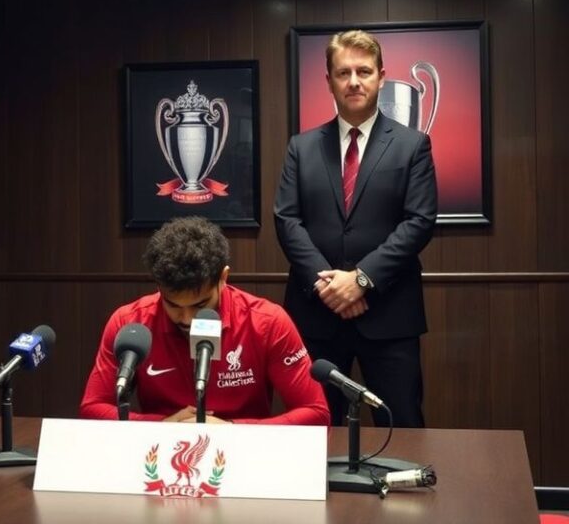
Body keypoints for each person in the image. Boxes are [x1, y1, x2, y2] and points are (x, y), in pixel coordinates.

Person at [274, 30, 437, 428]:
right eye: (343, 72)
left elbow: (419, 221)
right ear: (328, 80)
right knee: (313, 428)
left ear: (381, 77)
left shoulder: (412, 145)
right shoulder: (301, 147)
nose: (354, 81)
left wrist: (361, 279)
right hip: (317, 313)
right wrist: (329, 286)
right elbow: (286, 219)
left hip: (390, 314)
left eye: (363, 71)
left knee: (402, 426)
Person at [80, 216, 330, 425]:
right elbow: (92, 409)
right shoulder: (129, 324)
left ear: (223, 278)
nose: (187, 319)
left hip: (246, 457)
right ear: (158, 286)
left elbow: (317, 415)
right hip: (159, 455)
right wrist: (161, 427)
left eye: (200, 305)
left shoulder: (267, 322)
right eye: (173, 305)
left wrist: (234, 430)